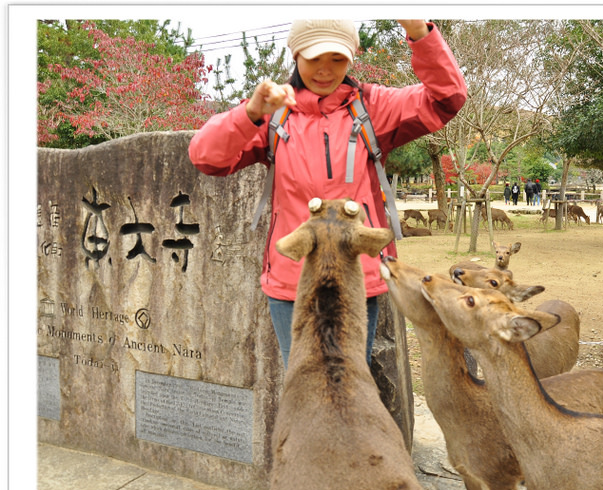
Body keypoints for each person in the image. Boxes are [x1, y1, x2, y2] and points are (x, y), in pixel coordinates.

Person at [189, 20, 467, 368]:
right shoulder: (273, 114)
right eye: (314, 58)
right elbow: (204, 157)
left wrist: (420, 33)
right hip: (292, 284)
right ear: (296, 56)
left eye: (338, 59)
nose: (325, 70)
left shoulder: (371, 106)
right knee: (304, 388)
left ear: (351, 59)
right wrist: (250, 114)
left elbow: (447, 97)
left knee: (352, 388)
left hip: (356, 281)